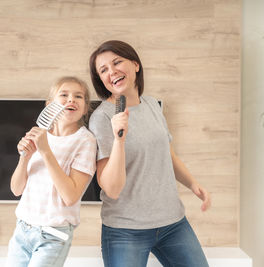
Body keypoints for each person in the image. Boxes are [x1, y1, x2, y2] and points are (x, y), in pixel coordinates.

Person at [88, 40, 211, 267]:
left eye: (117, 62)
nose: (111, 72)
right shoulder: (102, 118)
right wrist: (119, 139)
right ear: (101, 80)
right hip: (125, 230)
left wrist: (193, 184)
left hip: (173, 222)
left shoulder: (153, 104)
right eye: (103, 70)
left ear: (135, 64)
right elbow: (111, 188)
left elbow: (168, 154)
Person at [6, 76, 97, 267]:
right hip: (22, 229)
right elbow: (16, 189)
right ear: (49, 104)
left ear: (85, 107)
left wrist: (45, 151)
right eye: (64, 94)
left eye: (78, 96)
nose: (71, 100)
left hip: (53, 235)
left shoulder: (85, 141)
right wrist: (25, 157)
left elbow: (71, 196)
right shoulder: (39, 135)